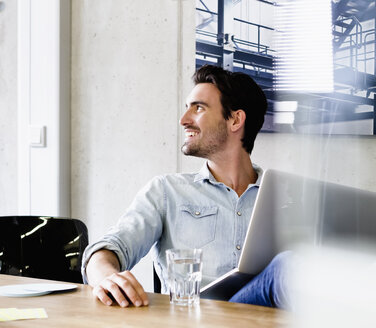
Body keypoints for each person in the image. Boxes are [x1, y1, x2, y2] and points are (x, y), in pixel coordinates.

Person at [82, 64, 290, 309]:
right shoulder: (167, 191)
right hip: (193, 319)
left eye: (198, 108)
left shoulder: (288, 196)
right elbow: (108, 249)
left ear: (235, 120)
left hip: (265, 319)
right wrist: (106, 277)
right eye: (186, 108)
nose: (183, 120)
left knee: (295, 266)